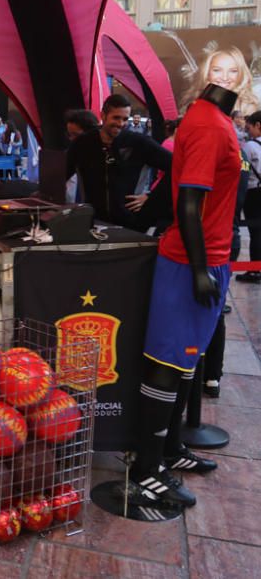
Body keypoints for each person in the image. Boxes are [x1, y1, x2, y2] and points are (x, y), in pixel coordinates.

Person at [130, 81, 241, 509]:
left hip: (209, 258)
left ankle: (169, 451)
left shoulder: (217, 121)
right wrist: (198, 270)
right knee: (166, 365)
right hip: (189, 262)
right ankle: (145, 469)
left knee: (184, 364)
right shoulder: (209, 124)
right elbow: (189, 203)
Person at [65, 94, 171, 229]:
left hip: (131, 223)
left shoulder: (139, 142)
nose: (121, 123)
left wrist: (150, 196)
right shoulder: (83, 143)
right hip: (94, 221)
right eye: (116, 118)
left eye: (125, 119)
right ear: (103, 115)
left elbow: (175, 166)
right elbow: (62, 173)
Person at [181, 46, 260, 116]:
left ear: (241, 74)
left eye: (233, 71)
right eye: (217, 70)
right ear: (207, 72)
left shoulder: (247, 106)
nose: (225, 77)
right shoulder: (194, 101)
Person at [236, 110, 261, 284]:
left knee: (256, 233)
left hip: (253, 193)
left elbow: (241, 169)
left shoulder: (250, 146)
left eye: (249, 127)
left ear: (258, 126)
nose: (247, 131)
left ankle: (254, 271)